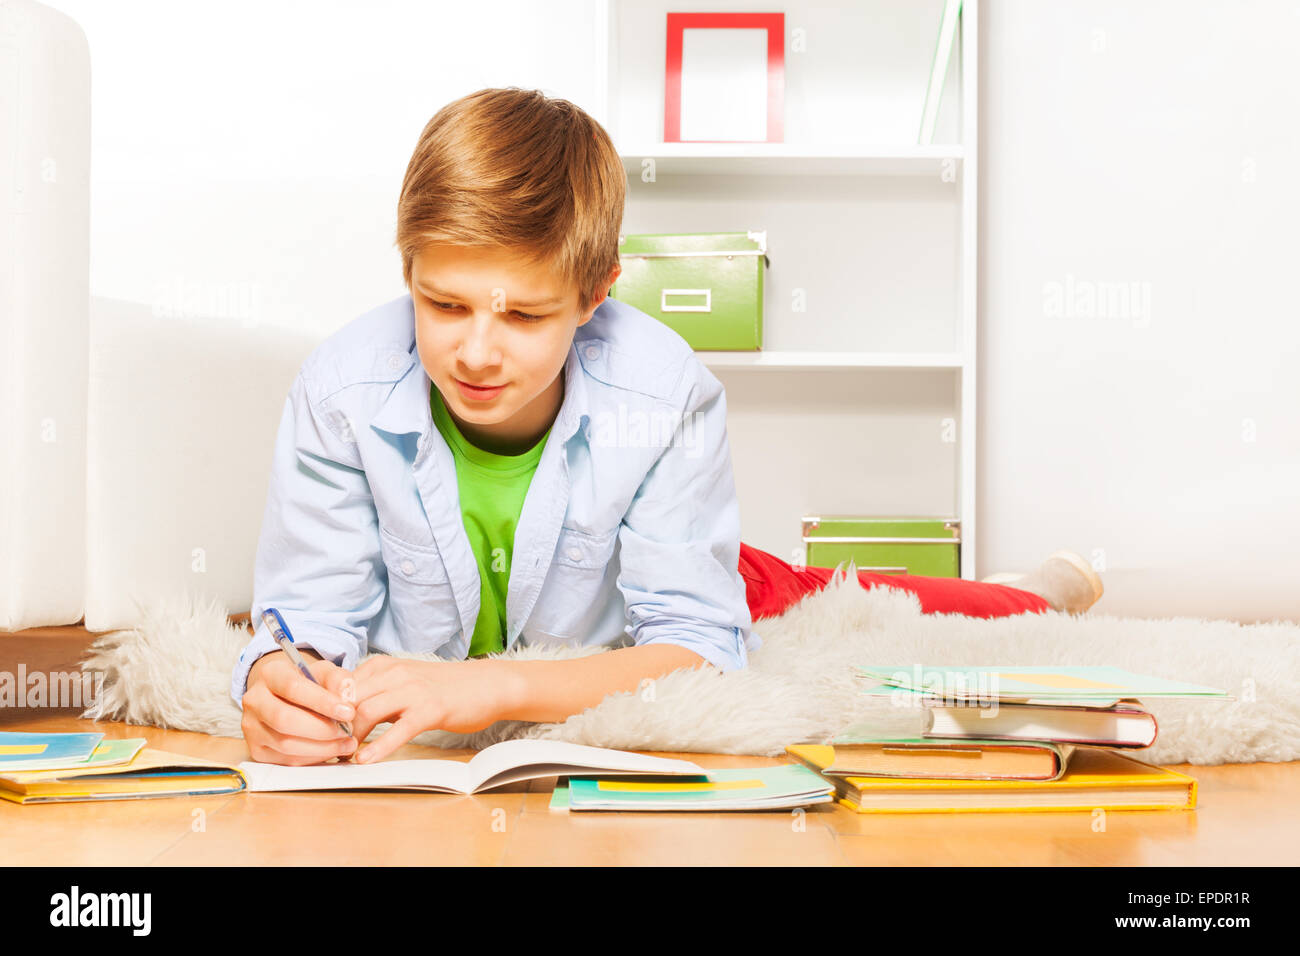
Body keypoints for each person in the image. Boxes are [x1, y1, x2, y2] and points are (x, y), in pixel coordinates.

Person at [231, 88, 1103, 768]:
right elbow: (305, 615)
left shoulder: (663, 392)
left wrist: (488, 686)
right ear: (407, 268)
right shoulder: (340, 389)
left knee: (876, 602)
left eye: (526, 316)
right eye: (443, 303)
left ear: (596, 293)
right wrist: (278, 681)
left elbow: (698, 645)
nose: (477, 351)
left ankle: (1035, 588)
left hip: (705, 573)